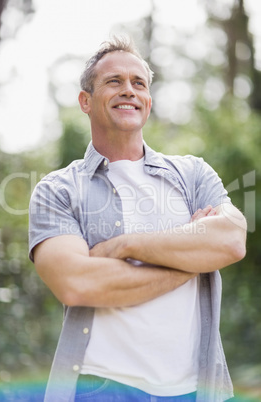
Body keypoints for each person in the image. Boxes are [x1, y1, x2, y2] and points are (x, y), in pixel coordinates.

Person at [28, 36, 247, 402]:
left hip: (196, 389)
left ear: (148, 101)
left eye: (138, 83)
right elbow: (77, 284)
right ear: (86, 100)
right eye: (114, 81)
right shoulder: (58, 190)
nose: (128, 90)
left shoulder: (192, 174)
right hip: (100, 389)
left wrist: (125, 246)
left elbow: (231, 240)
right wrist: (195, 258)